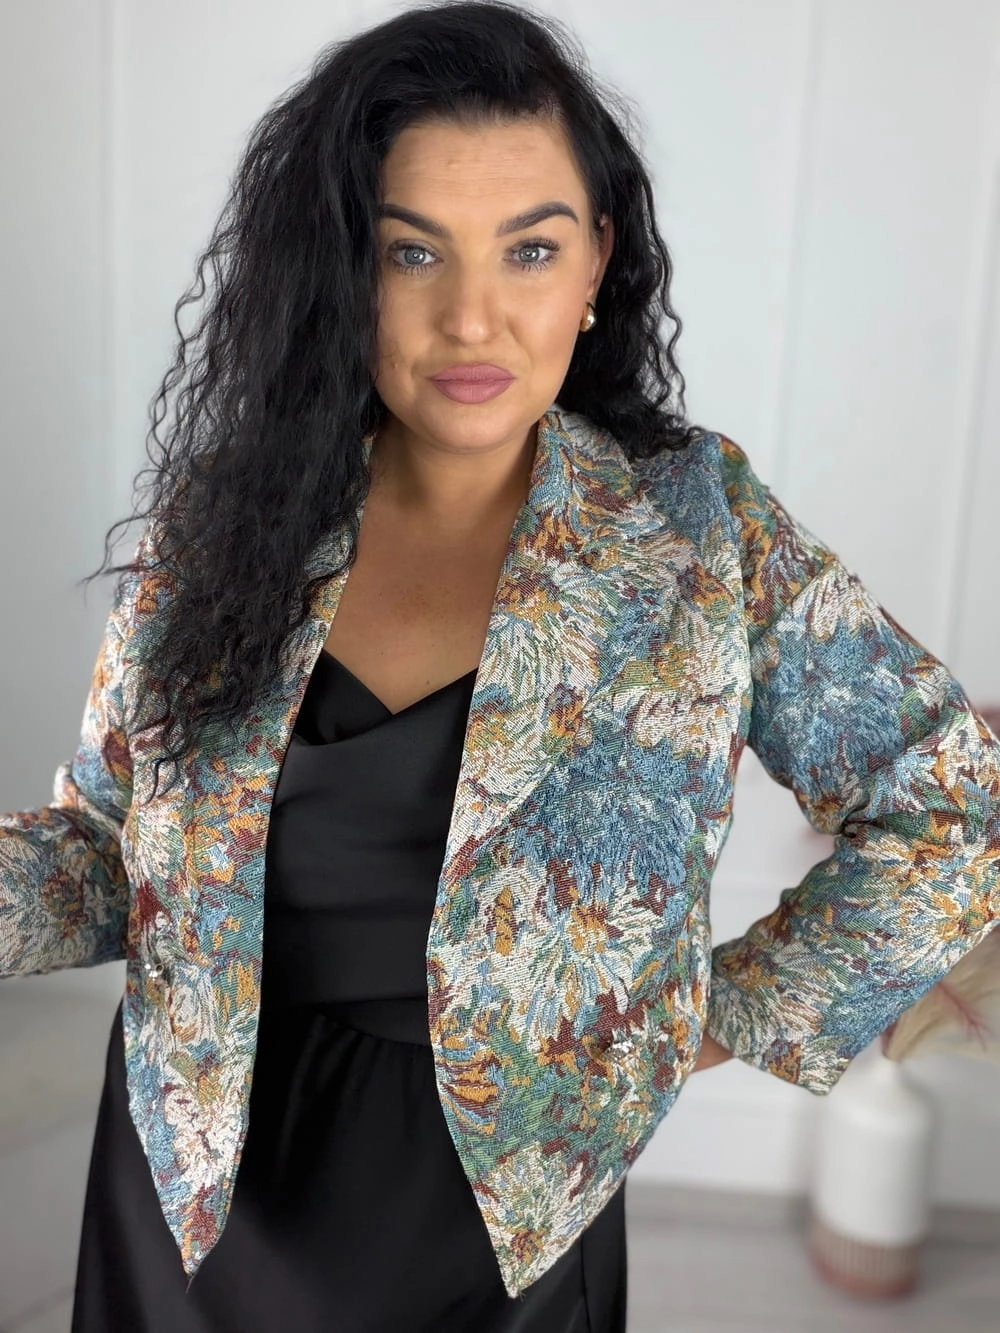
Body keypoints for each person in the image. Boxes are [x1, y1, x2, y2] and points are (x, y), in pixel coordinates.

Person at [0, 2, 996, 1329]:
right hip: (194, 1194)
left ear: (597, 264)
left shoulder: (695, 532)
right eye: (411, 252)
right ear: (343, 269)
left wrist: (708, 1020)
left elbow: (952, 802)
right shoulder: (228, 522)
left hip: (504, 1233)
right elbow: (107, 851)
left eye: (530, 249)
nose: (472, 318)